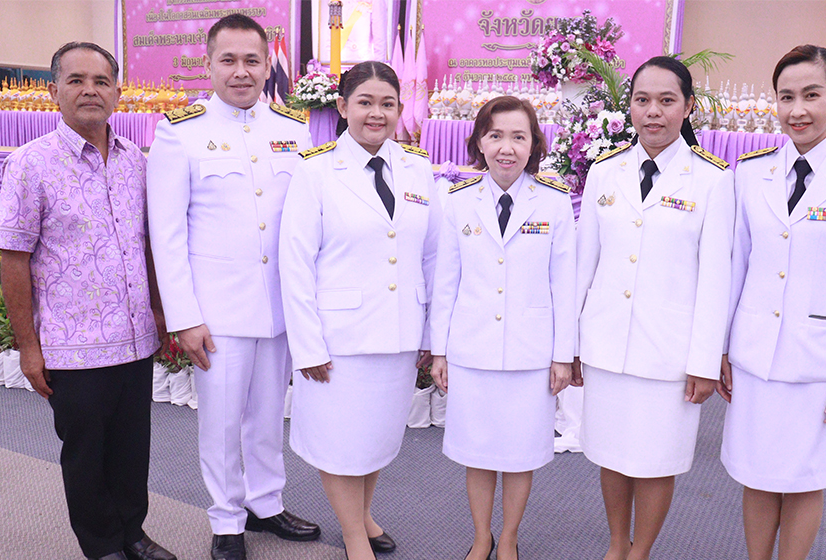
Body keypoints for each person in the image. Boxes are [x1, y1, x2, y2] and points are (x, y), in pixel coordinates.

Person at [0, 42, 176, 560]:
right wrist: (29, 348)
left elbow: (148, 245)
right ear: (54, 91)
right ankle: (101, 546)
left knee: (131, 450)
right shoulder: (30, 164)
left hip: (134, 339)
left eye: (101, 81)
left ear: (118, 93)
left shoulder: (137, 161)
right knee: (86, 455)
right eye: (76, 80)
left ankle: (133, 533)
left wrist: (160, 312)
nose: (90, 90)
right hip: (72, 349)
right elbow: (14, 259)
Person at [146, 14, 318, 560]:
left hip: (278, 307)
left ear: (268, 66)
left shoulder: (294, 130)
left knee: (268, 414)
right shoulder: (180, 131)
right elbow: (167, 235)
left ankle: (266, 503)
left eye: (251, 60)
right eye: (229, 60)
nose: (241, 71)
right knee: (220, 423)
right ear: (209, 64)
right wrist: (185, 316)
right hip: (216, 312)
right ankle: (226, 519)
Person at [719, 45, 826, 560]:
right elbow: (737, 264)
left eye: (811, 95)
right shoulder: (751, 171)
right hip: (754, 353)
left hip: (819, 360)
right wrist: (722, 348)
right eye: (786, 97)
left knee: (803, 479)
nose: (797, 110)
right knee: (756, 473)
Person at [573, 56, 735, 560]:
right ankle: (615, 544)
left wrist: (704, 361)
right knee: (611, 453)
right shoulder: (605, 171)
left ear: (688, 106)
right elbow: (584, 265)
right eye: (642, 100)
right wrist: (570, 345)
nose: (653, 112)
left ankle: (640, 551)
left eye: (667, 101)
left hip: (670, 351)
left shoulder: (712, 180)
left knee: (656, 460)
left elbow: (716, 280)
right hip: (607, 343)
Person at [278, 61, 438, 560]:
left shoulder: (417, 167)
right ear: (342, 106)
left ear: (400, 108)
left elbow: (432, 257)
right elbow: (295, 263)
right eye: (365, 102)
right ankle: (353, 536)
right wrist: (307, 345)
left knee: (376, 439)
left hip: (399, 331)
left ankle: (363, 516)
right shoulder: (316, 170)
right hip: (338, 337)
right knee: (341, 442)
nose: (377, 113)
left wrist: (430, 334)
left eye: (387, 104)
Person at [430, 96, 576, 560]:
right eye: (495, 136)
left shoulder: (554, 203)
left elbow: (564, 286)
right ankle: (481, 537)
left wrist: (563, 356)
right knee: (476, 454)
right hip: (471, 350)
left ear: (534, 145)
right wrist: (439, 351)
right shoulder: (457, 202)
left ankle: (509, 537)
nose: (506, 148)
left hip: (530, 354)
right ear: (479, 142)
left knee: (520, 455)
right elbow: (445, 283)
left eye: (518, 137)